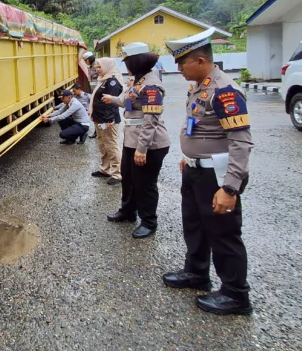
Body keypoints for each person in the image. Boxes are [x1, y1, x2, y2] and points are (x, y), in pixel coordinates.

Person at [161, 28, 254, 316]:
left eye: (182, 62)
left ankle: (236, 295)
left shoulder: (224, 92)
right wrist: (189, 157)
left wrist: (230, 188)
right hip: (196, 171)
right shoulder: (199, 86)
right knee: (195, 225)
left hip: (217, 176)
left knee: (224, 234)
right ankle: (197, 272)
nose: (178, 68)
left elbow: (241, 141)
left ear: (201, 61)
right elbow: (200, 129)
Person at [102, 43, 170, 239]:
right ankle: (128, 212)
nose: (125, 66)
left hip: (149, 143)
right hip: (132, 140)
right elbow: (127, 100)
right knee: (128, 177)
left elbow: (151, 121)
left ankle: (149, 222)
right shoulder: (138, 81)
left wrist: (142, 149)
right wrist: (112, 99)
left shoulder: (151, 86)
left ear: (136, 62)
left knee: (145, 183)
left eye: (127, 62)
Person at [88, 57, 123, 184]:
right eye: (96, 67)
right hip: (99, 119)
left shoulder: (112, 82)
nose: (97, 70)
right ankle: (105, 169)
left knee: (111, 145)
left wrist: (108, 120)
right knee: (103, 145)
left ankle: (117, 173)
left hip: (108, 121)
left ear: (108, 66)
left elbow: (112, 103)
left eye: (100, 67)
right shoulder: (103, 80)